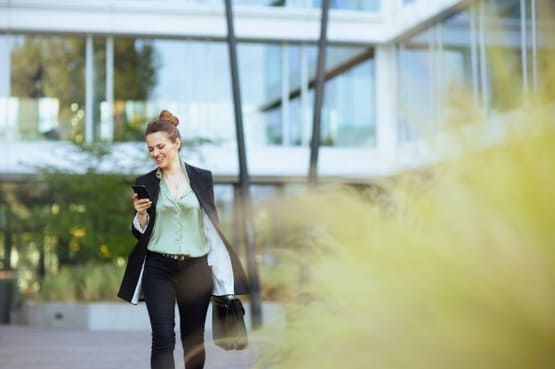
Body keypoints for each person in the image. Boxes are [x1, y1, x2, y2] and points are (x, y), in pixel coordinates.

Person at [117, 110, 249, 369]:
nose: (155, 153)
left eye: (160, 146)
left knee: (193, 339)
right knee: (163, 337)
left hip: (196, 269)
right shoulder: (146, 182)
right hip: (158, 268)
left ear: (176, 143)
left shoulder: (201, 178)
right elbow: (141, 231)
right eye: (150, 149)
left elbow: (212, 224)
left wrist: (222, 274)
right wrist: (140, 214)